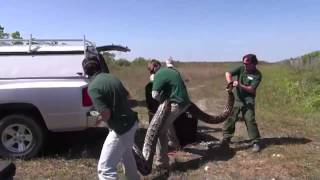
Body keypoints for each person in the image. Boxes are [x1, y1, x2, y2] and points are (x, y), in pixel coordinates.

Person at [82, 56, 140, 180]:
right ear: (99, 66)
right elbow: (128, 98)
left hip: (121, 129)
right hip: (132, 122)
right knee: (127, 156)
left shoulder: (93, 87)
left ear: (86, 73)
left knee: (105, 169)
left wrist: (97, 120)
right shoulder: (112, 77)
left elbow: (106, 114)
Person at [147, 59, 191, 171]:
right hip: (184, 102)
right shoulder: (171, 71)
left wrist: (162, 101)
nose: (151, 73)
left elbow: (154, 95)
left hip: (176, 104)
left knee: (159, 131)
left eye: (151, 70)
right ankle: (175, 144)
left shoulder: (159, 74)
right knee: (166, 122)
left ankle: (162, 163)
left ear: (156, 66)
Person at [221, 54, 262, 152]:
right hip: (237, 98)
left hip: (248, 100)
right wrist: (230, 82)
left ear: (253, 63)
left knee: (249, 119)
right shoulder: (241, 68)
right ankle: (226, 138)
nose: (245, 65)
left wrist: (240, 85)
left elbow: (252, 90)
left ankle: (255, 141)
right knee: (231, 117)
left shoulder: (257, 75)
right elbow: (228, 73)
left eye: (247, 64)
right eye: (244, 63)